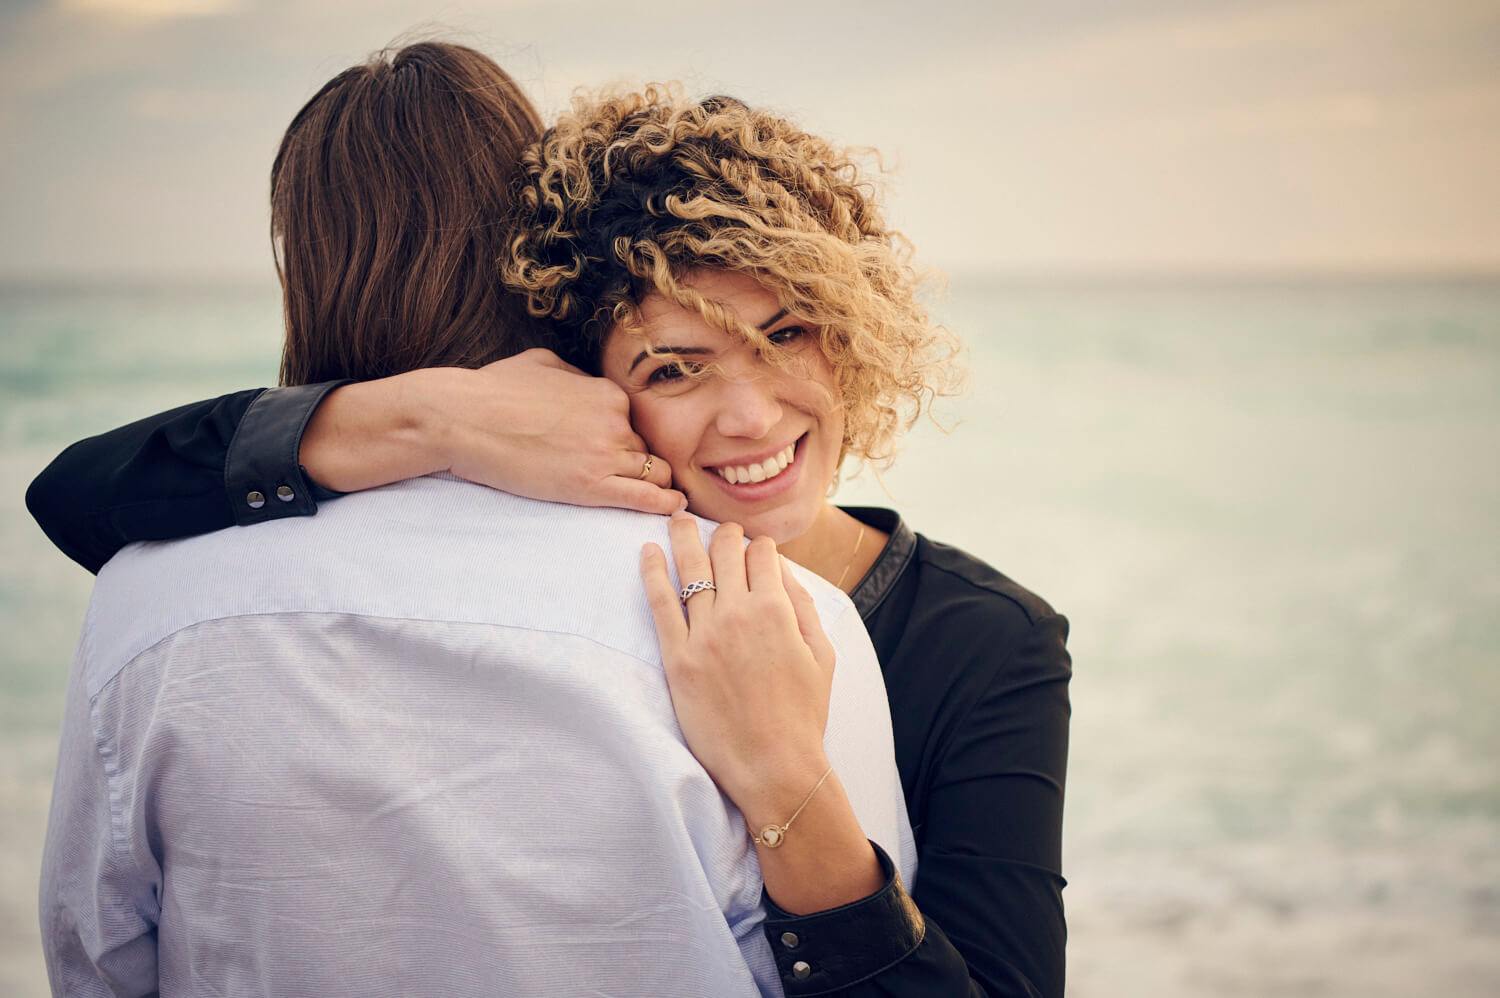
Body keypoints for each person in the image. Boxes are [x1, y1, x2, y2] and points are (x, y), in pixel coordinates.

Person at [29, 76, 1072, 998]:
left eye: (787, 331)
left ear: (857, 332)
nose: (751, 416)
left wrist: (783, 784)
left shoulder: (983, 640)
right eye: (674, 367)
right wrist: (434, 416)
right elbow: (75, 491)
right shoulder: (609, 603)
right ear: (579, 384)